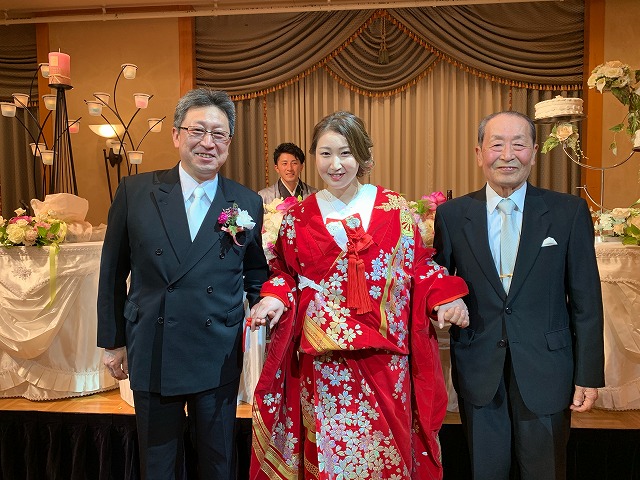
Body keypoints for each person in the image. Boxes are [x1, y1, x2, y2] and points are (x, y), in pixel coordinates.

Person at [248, 111, 470, 479]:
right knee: (330, 453)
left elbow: (418, 265)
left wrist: (445, 297)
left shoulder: (393, 208)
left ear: (363, 156)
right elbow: (285, 273)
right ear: (313, 156)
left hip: (384, 353)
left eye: (345, 153)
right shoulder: (298, 216)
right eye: (325, 154)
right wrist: (274, 297)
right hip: (324, 355)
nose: (335, 164)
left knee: (385, 450)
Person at [97, 88, 269, 479]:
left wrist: (267, 302)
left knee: (218, 461)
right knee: (158, 465)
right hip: (154, 345)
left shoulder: (245, 202)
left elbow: (256, 271)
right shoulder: (135, 193)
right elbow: (112, 273)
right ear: (176, 135)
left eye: (219, 134)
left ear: (228, 142)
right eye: (197, 130)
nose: (208, 142)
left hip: (217, 349)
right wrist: (113, 341)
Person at [433, 111, 604, 480]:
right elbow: (436, 282)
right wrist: (443, 301)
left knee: (546, 471)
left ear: (535, 152)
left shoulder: (568, 212)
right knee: (486, 471)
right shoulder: (452, 215)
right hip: (480, 368)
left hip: (548, 369)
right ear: (479, 153)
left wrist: (588, 374)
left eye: (519, 145)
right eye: (496, 145)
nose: (507, 155)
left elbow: (587, 302)